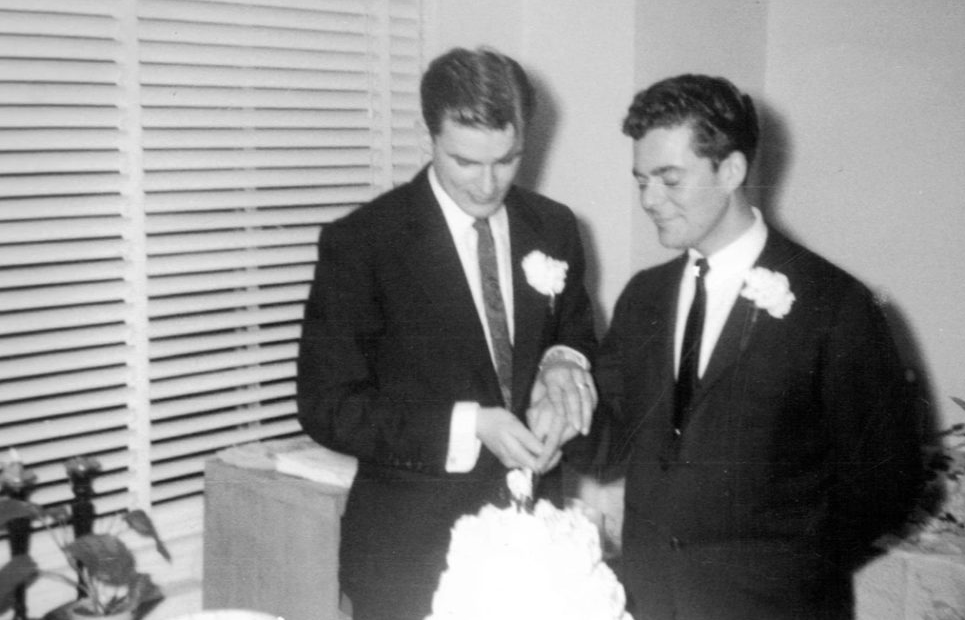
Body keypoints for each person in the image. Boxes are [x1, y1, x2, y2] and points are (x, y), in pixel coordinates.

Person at [540, 74, 924, 620]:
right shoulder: (644, 297)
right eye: (642, 180)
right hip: (653, 603)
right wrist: (562, 411)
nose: (649, 200)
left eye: (670, 180)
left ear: (732, 171)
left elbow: (887, 481)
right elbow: (611, 443)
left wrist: (792, 567)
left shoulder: (834, 305)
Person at [296, 46, 597, 620]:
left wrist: (564, 361)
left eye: (507, 160)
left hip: (535, 552)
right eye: (465, 162)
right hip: (410, 559)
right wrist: (470, 425)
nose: (487, 185)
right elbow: (326, 406)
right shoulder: (363, 243)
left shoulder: (554, 227)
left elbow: (577, 332)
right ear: (427, 136)